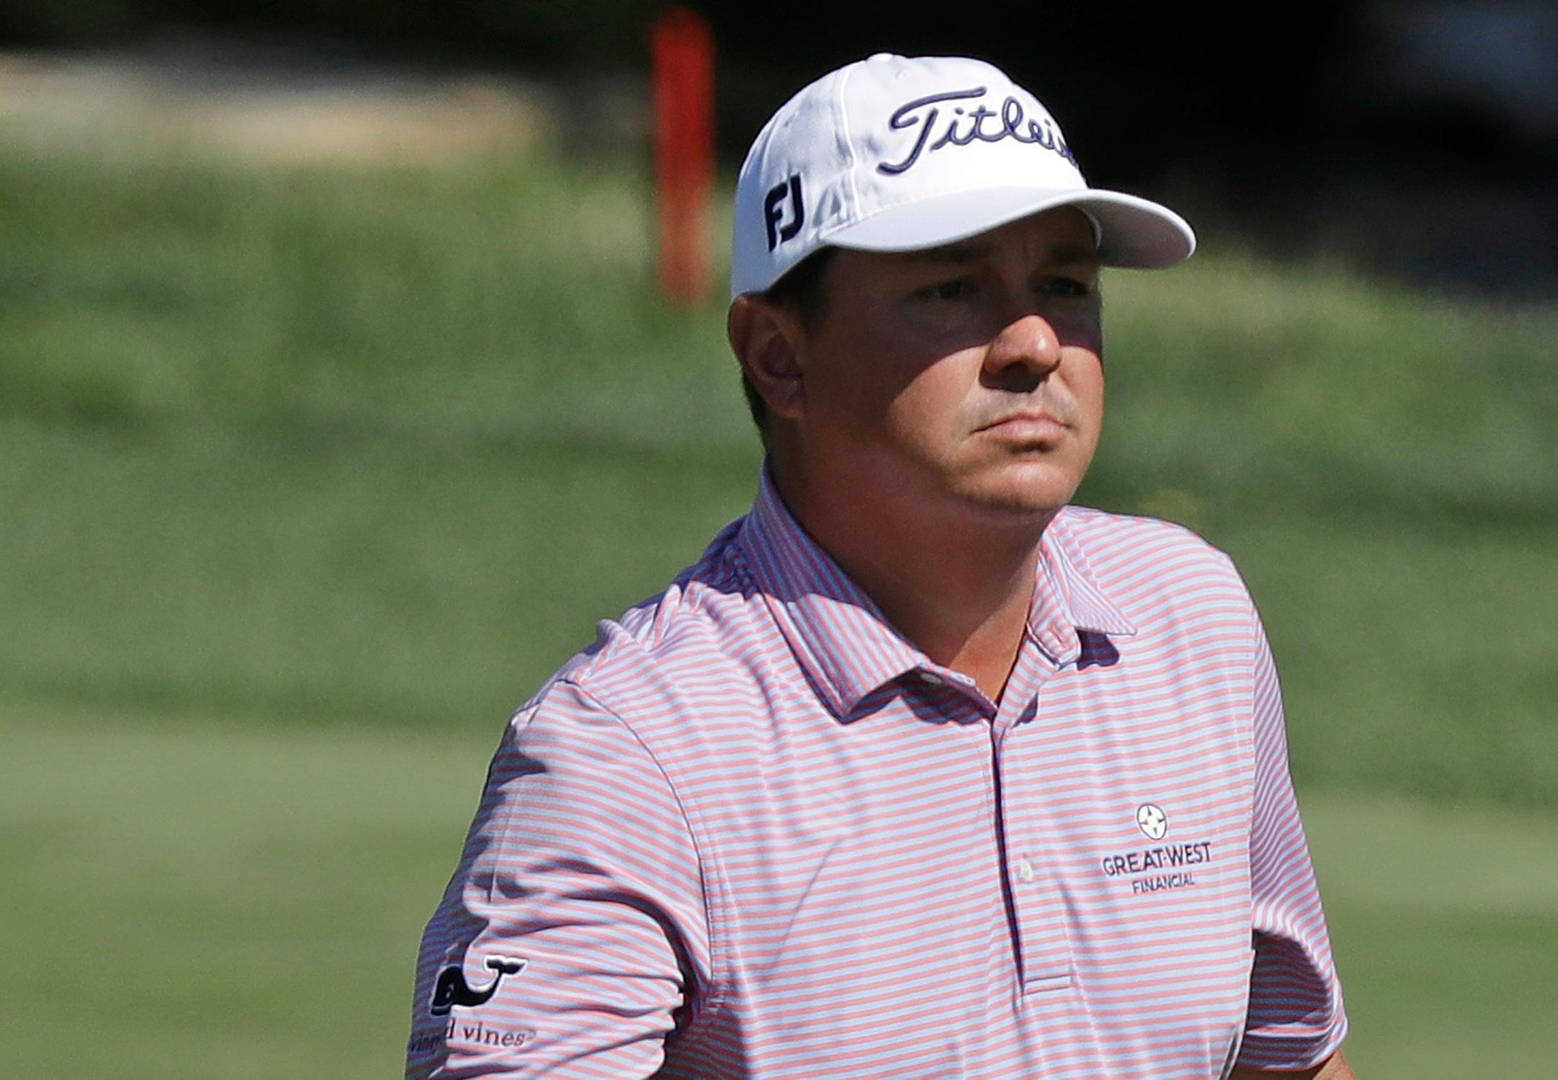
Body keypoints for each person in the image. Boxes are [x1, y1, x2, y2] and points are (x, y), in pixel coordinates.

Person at [408, 53, 1355, 1079]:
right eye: (951, 287)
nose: (1036, 339)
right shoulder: (628, 758)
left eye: (1065, 286)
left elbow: (1288, 1060)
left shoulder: (1187, 615)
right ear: (778, 355)